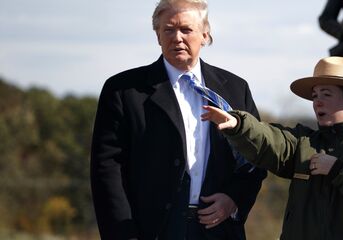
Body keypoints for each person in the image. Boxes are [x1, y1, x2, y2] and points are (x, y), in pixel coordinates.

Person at [90, 0, 266, 239]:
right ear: (157, 36)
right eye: (168, 29)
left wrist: (234, 198)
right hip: (149, 230)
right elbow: (107, 171)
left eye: (186, 29)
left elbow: (256, 156)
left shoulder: (235, 89)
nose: (177, 37)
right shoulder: (123, 91)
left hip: (218, 228)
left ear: (205, 34)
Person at [202, 56, 343, 240]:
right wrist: (240, 125)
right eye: (315, 95)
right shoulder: (303, 141)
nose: (317, 102)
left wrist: (338, 170)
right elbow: (270, 139)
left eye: (326, 94)